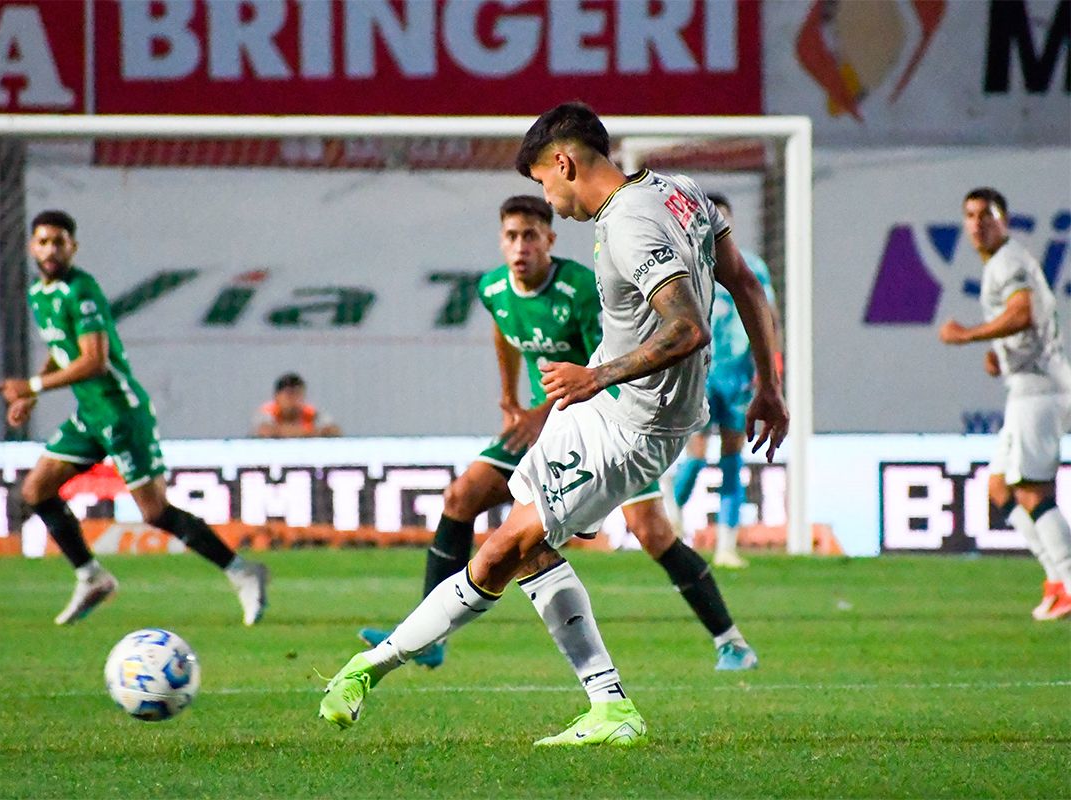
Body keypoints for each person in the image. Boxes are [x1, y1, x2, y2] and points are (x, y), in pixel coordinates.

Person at [319, 103, 787, 746]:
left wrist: (596, 376)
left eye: (543, 182)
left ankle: (375, 668)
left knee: (505, 551)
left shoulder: (629, 225)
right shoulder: (679, 190)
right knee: (520, 546)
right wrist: (770, 386)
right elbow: (746, 285)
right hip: (606, 405)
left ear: (564, 163)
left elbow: (688, 328)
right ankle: (604, 704)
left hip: (633, 425)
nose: (547, 198)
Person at [358, 194, 757, 673]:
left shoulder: (582, 289)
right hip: (540, 427)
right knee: (461, 497)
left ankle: (731, 641)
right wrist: (510, 398)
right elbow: (504, 331)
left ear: (549, 239)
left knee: (652, 532)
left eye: (530, 236)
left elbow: (601, 366)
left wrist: (539, 413)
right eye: (511, 236)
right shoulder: (493, 288)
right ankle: (429, 640)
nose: (520, 246)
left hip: (604, 424)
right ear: (501, 241)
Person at [0, 210, 268, 626]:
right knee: (36, 490)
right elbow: (62, 347)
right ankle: (91, 577)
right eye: (44, 241)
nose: (51, 249)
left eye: (59, 242)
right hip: (91, 415)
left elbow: (94, 360)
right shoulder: (39, 293)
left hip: (121, 412)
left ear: (73, 247)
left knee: (154, 512)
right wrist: (33, 393)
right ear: (32, 247)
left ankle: (242, 571)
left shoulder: (81, 290)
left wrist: (32, 385)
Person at [939, 187, 1071, 621]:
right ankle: (1057, 581)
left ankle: (1069, 582)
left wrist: (969, 335)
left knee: (1032, 491)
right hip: (1028, 387)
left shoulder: (1008, 261)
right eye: (970, 215)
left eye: (987, 215)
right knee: (999, 488)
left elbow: (1022, 312)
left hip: (1040, 390)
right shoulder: (1003, 262)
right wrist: (1001, 353)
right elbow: (1026, 322)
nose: (978, 224)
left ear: (1005, 221)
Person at [669, 194, 781, 568]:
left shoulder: (752, 266)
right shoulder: (686, 265)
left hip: (739, 376)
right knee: (697, 454)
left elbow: (769, 318)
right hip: (700, 372)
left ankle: (727, 546)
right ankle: (671, 512)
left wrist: (771, 370)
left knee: (733, 456)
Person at [252, 373, 341, 438]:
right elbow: (266, 431)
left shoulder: (311, 413)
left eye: (298, 395)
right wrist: (312, 432)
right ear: (277, 397)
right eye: (289, 395)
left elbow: (333, 430)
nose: (294, 400)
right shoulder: (268, 412)